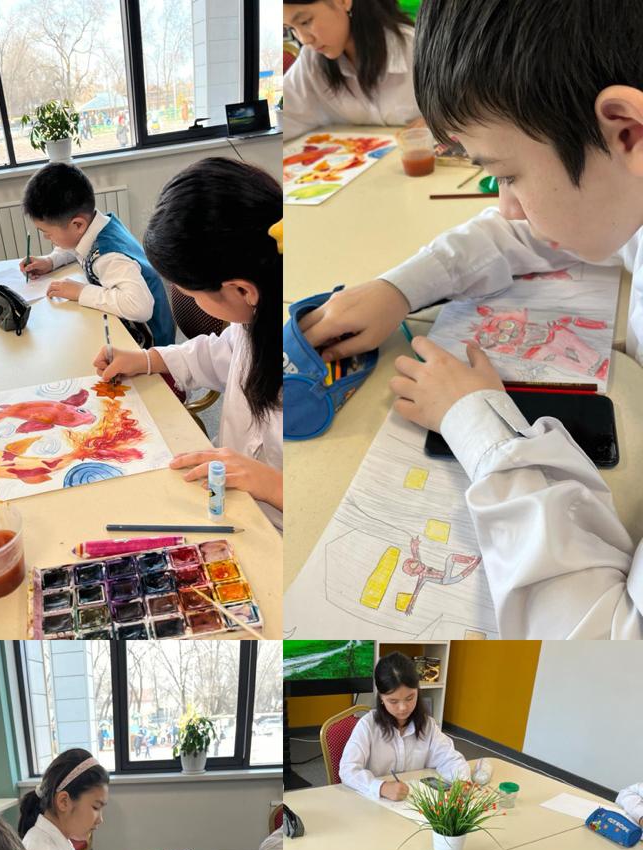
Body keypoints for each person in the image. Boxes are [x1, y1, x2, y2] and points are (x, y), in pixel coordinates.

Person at [299, 0, 643, 638]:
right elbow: (530, 232)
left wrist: (476, 424)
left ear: (626, 131)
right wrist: (401, 288)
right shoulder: (626, 193)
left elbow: (604, 631)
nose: (506, 206)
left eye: (507, 175)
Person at [94, 157, 283, 531]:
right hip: (234, 502)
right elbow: (218, 354)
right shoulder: (253, 322)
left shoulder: (312, 356)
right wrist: (147, 359)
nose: (192, 302)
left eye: (192, 295)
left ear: (242, 290)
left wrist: (274, 485)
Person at [18, 163, 175, 348]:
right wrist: (50, 261)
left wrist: (81, 292)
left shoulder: (109, 257)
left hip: (150, 344)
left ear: (77, 225)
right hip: (127, 328)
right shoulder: (99, 226)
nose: (46, 238)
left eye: (47, 233)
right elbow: (77, 246)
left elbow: (140, 307)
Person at [339, 651, 469, 799]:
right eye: (393, 701)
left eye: (410, 698)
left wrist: (461, 781)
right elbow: (348, 770)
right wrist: (381, 787)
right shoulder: (368, 726)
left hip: (414, 801)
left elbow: (450, 759)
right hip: (375, 802)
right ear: (381, 697)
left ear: (418, 691)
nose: (403, 708)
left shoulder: (427, 725)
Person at [282, 0, 418, 138]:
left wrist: (431, 122)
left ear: (343, 1)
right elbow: (286, 118)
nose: (304, 40)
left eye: (305, 22)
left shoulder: (414, 49)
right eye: (290, 28)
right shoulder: (311, 60)